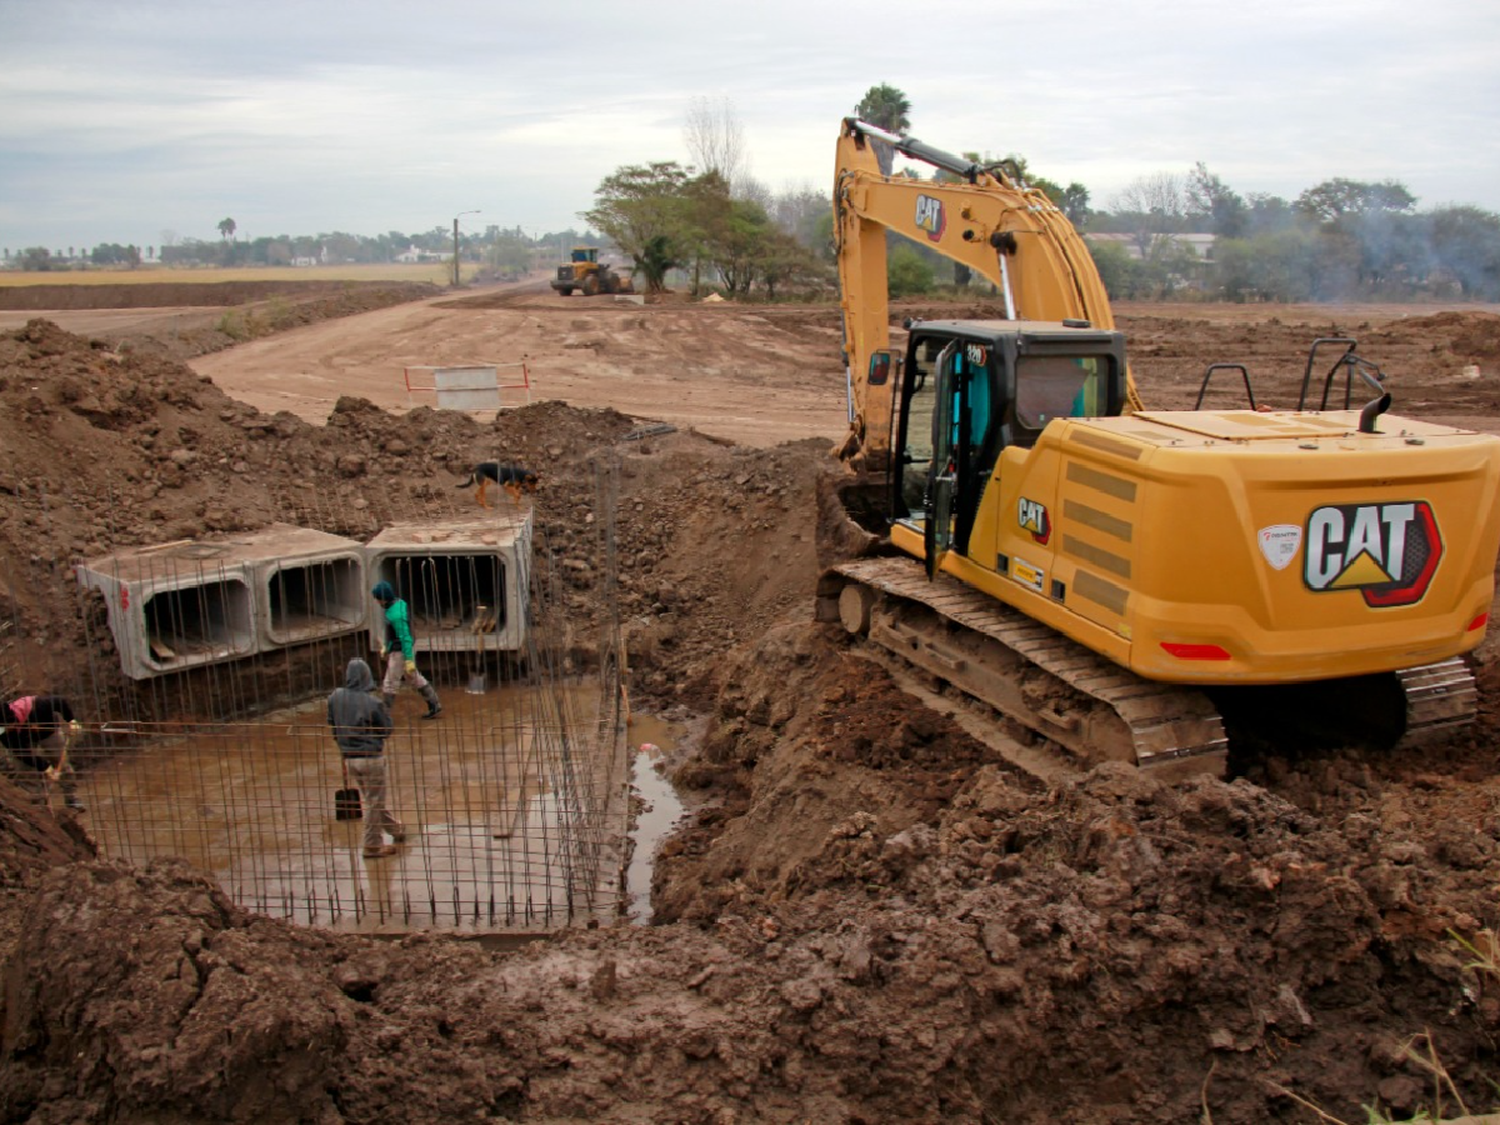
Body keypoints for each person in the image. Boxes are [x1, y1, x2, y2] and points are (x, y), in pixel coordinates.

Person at [326, 657, 405, 859]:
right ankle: (372, 846)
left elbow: (333, 725)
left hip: (350, 759)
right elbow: (386, 730)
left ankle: (395, 830)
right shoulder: (373, 702)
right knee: (373, 802)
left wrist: (343, 748)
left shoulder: (335, 697)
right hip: (371, 759)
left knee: (373, 799)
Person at [371, 581, 442, 720]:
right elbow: (394, 633)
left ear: (383, 598)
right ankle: (434, 704)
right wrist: (387, 645)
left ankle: (383, 717)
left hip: (401, 651)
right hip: (400, 648)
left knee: (390, 683)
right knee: (413, 677)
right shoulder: (398, 603)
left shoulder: (395, 615)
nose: (377, 601)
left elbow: (405, 637)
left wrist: (408, 659)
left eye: (378, 598)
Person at [1, 694, 85, 811]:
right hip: (23, 741)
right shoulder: (4, 734)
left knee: (60, 761)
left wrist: (71, 720)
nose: (7, 729)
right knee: (25, 770)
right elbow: (21, 753)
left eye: (8, 726)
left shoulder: (37, 706)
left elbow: (60, 701)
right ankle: (39, 805)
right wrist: (45, 767)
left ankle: (71, 797)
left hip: (48, 731)